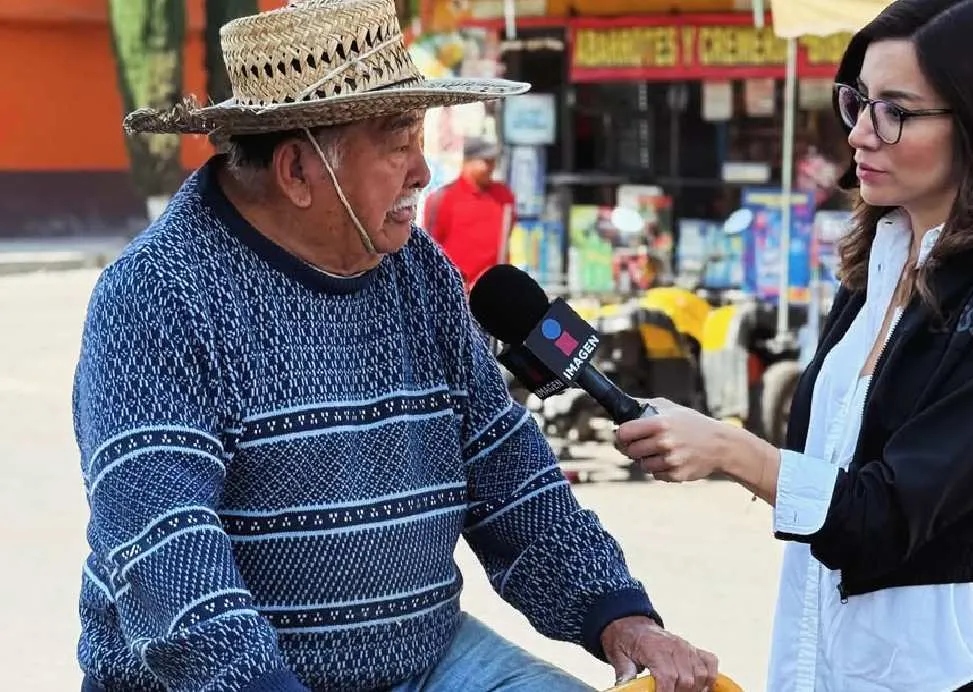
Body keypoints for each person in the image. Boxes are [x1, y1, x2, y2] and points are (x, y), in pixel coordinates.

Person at [74, 2, 718, 690]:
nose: (423, 172)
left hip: (428, 658)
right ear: (297, 170)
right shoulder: (156, 296)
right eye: (395, 142)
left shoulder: (418, 272)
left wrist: (620, 619)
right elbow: (164, 553)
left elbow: (506, 474)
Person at [613, 1, 973, 691]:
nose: (860, 132)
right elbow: (828, 482)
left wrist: (729, 450)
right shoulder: (881, 259)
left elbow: (887, 517)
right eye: (856, 100)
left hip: (936, 669)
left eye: (895, 110)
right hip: (815, 655)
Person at [423, 136, 517, 288]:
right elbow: (431, 247)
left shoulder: (504, 196)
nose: (492, 167)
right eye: (486, 161)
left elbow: (507, 235)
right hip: (455, 289)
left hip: (495, 289)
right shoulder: (443, 198)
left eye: (493, 161)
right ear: (468, 162)